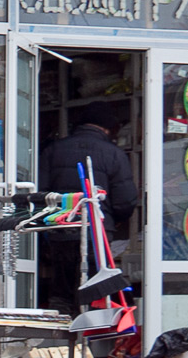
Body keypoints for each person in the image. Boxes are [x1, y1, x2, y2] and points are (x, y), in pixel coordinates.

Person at [39, 102, 138, 311]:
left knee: (62, 291)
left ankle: (61, 335)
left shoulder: (53, 150)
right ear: (108, 128)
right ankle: (91, 337)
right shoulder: (114, 154)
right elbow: (125, 201)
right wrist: (114, 219)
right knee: (95, 290)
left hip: (60, 230)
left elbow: (42, 194)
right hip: (97, 231)